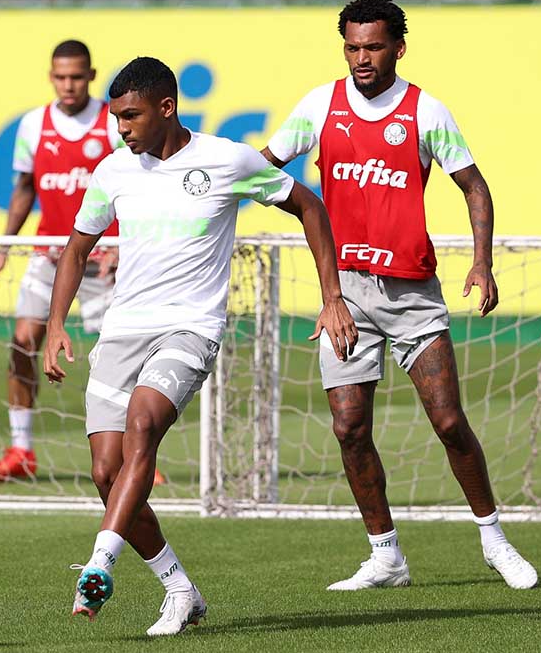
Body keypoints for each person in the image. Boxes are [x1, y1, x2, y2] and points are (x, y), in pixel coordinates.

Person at [44, 56, 357, 635]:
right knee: (106, 473)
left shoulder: (228, 159)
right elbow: (76, 246)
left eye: (131, 116)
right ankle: (180, 590)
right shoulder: (114, 170)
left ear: (167, 108)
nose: (121, 128)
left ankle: (99, 563)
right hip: (121, 330)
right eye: (116, 118)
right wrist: (56, 324)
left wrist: (332, 294)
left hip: (191, 327)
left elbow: (309, 206)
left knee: (143, 425)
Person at [262, 0, 538, 590]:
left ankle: (494, 538)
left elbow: (476, 187)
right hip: (347, 295)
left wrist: (483, 265)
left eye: (374, 46)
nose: (362, 58)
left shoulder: (425, 110)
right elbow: (264, 169)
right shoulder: (319, 105)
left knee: (446, 420)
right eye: (353, 47)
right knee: (349, 428)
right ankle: (386, 556)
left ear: (398, 48)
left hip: (413, 293)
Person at [0, 40, 154, 483]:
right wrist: (3, 250)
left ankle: (141, 459)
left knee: (121, 359)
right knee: (22, 341)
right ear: (51, 77)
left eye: (76, 76)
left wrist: (125, 243)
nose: (68, 85)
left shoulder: (113, 121)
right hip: (50, 255)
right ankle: (21, 450)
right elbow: (24, 190)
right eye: (60, 77)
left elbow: (143, 182)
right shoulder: (33, 124)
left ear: (91, 76)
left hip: (104, 262)